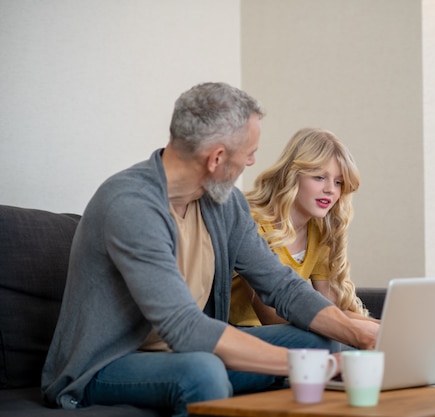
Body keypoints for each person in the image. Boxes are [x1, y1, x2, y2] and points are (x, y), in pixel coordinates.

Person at [41, 82, 378, 417]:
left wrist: (358, 333)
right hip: (109, 364)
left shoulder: (224, 203)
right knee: (203, 371)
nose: (252, 162)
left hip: (194, 350)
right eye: (249, 152)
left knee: (318, 342)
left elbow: (282, 286)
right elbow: (183, 326)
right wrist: (309, 366)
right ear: (217, 157)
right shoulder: (131, 205)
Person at [230, 128, 374, 328]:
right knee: (328, 337)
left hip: (284, 332)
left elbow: (333, 308)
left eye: (338, 182)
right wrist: (353, 329)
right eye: (319, 177)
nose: (330, 189)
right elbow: (272, 317)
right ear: (292, 175)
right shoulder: (252, 221)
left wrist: (381, 327)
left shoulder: (319, 231)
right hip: (238, 332)